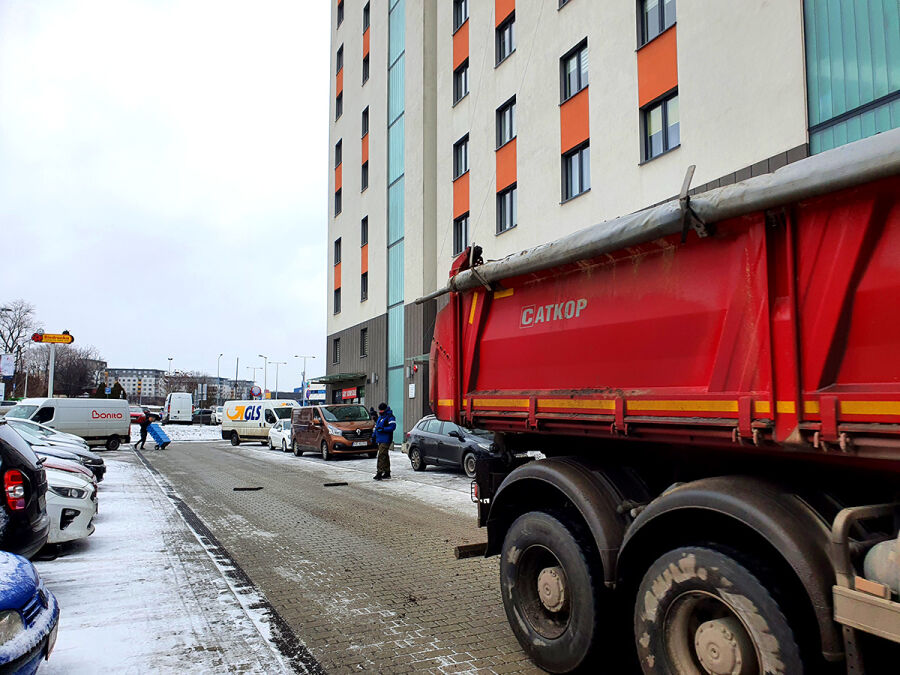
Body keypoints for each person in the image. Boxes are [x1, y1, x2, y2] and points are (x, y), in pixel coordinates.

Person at [372, 402, 396, 480]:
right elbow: (377, 428)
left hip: (386, 439)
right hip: (380, 439)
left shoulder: (390, 417)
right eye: (380, 410)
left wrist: (383, 429)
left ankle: (379, 472)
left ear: (385, 409)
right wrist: (373, 436)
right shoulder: (380, 417)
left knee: (381, 455)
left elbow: (392, 427)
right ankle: (387, 472)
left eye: (381, 410)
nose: (380, 411)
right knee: (385, 455)